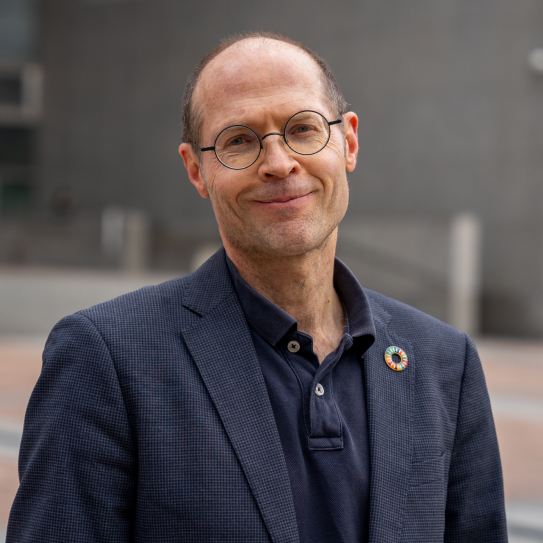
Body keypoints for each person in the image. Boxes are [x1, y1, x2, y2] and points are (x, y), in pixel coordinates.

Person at [8, 32, 507, 542]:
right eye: (239, 140)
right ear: (196, 170)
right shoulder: (105, 360)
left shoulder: (446, 363)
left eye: (303, 129)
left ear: (348, 142)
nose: (279, 163)